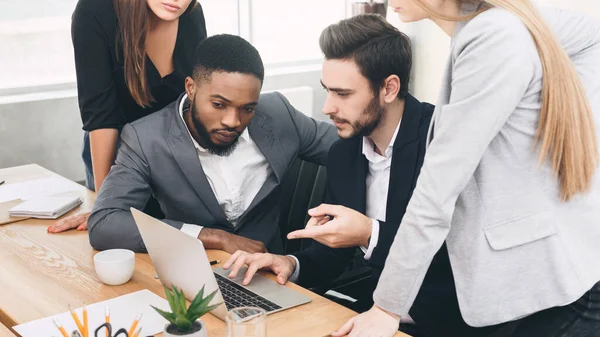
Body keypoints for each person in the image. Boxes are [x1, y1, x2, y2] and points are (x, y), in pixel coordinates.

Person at [331, 1, 600, 336]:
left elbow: (436, 192)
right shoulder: (499, 26)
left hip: (561, 291)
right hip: (549, 279)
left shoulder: (493, 34)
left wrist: (386, 307)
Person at [222, 14, 484, 337]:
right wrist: (290, 264)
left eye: (342, 94)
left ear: (389, 88)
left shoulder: (443, 142)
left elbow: (460, 261)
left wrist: (369, 234)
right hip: (374, 316)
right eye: (326, 91)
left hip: (453, 324)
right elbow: (335, 254)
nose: (327, 107)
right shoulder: (343, 153)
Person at [87, 34, 338, 254]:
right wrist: (213, 237)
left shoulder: (278, 114)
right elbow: (105, 224)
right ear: (191, 88)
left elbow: (350, 146)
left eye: (247, 108)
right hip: (192, 272)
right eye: (219, 105)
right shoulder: (146, 138)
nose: (233, 121)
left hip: (269, 275)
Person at [48, 0, 207, 233]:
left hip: (174, 157)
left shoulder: (191, 15)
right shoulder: (95, 10)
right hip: (116, 159)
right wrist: (106, 206)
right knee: (116, 239)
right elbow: (101, 118)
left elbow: (197, 102)